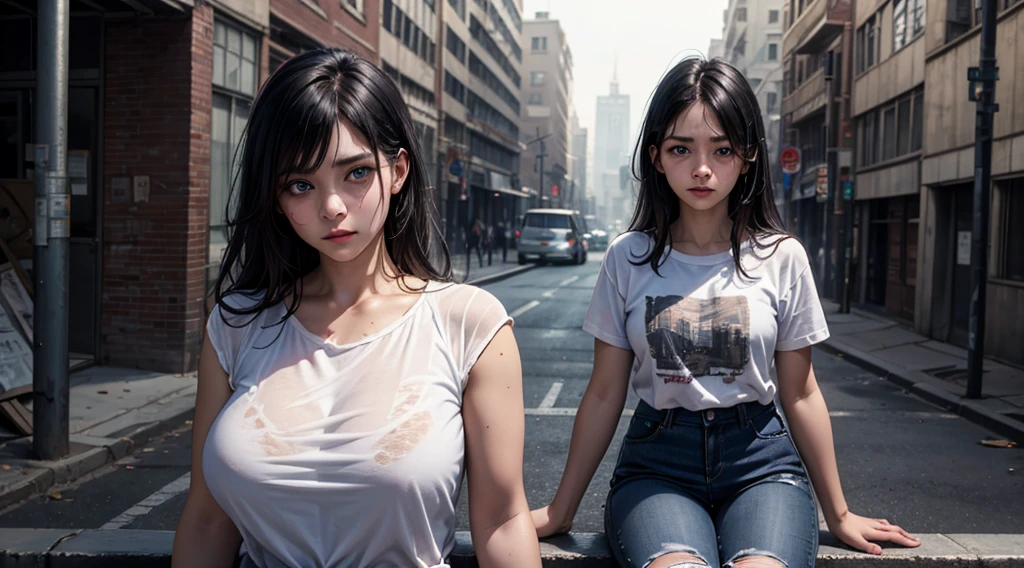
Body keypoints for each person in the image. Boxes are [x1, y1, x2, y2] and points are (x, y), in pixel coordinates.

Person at [530, 57, 920, 567]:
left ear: (749, 156)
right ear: (655, 156)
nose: (702, 169)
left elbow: (801, 392)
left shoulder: (782, 257)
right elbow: (604, 392)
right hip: (657, 465)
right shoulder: (627, 257)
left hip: (761, 463)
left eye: (723, 149)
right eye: (680, 149)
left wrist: (839, 513)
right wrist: (562, 510)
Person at [172, 48, 541, 568]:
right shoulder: (237, 323)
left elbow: (502, 521)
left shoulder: (468, 324)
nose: (332, 207)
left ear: (398, 171)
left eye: (356, 173)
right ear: (276, 197)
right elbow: (208, 519)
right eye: (301, 184)